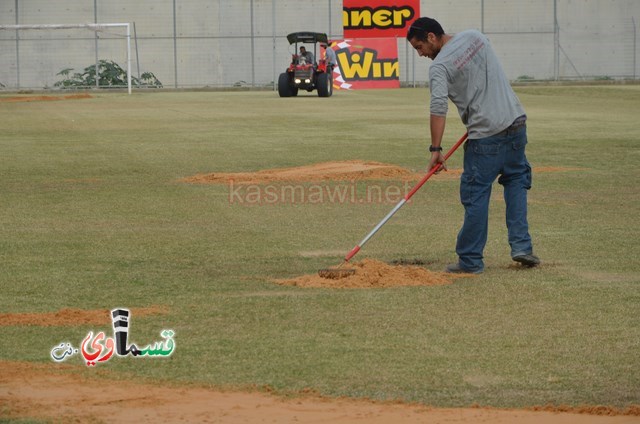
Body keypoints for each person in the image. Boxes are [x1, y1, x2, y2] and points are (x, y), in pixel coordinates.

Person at [406, 17, 540, 274]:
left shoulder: (439, 68)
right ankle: (522, 247)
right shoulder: (476, 37)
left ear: (431, 37)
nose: (420, 54)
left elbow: (438, 107)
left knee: (475, 194)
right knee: (516, 181)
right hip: (516, 123)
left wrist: (436, 150)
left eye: (419, 47)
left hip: (485, 136)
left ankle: (470, 260)